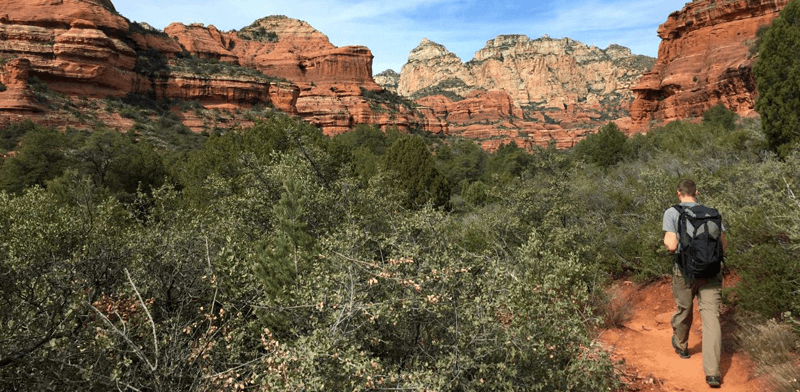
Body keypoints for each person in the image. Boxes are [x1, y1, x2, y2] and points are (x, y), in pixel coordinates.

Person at [662, 179, 727, 388]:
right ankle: (713, 373)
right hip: (712, 273)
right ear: (696, 192)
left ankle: (681, 345)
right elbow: (723, 245)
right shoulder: (711, 213)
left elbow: (671, 245)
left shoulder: (672, 212)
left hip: (685, 272)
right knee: (711, 319)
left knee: (684, 309)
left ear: (678, 193)